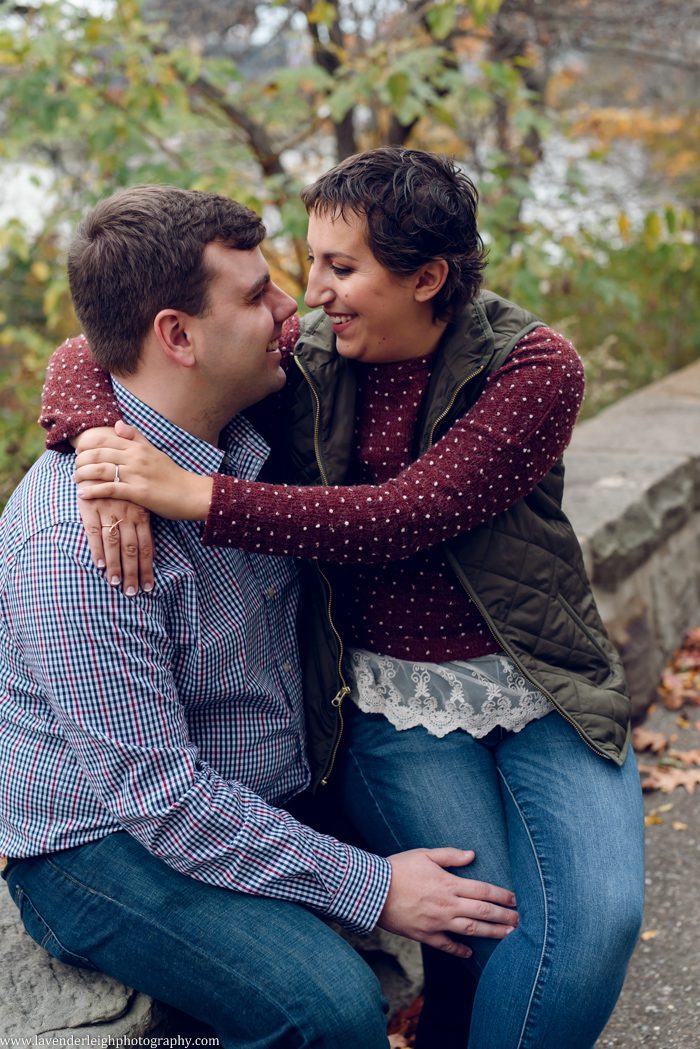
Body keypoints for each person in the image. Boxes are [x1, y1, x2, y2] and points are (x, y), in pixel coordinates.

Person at [41, 150, 644, 1049]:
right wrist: (106, 443)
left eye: (340, 267)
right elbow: (102, 347)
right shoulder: (310, 361)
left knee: (602, 921)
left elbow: (411, 514)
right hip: (393, 701)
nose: (308, 294)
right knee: (490, 921)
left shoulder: (534, 368)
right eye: (307, 262)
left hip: (543, 682)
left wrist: (194, 494)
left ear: (428, 277)